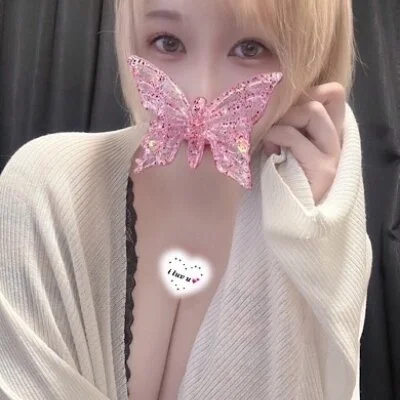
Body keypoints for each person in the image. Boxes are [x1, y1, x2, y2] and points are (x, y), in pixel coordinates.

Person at [0, 0, 372, 399]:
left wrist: (306, 242)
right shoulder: (42, 191)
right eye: (168, 42)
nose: (200, 93)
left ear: (313, 54)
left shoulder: (321, 236)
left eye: (251, 48)